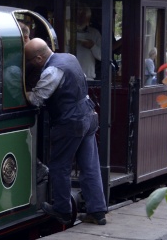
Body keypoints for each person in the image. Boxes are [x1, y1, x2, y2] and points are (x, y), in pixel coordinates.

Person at [24, 37, 107, 225]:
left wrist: (23, 91)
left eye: (30, 61)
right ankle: (97, 211)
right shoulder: (69, 57)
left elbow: (37, 98)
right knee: (90, 166)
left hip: (71, 121)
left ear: (38, 59)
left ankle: (62, 210)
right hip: (88, 114)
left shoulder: (52, 70)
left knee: (59, 166)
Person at [74, 5, 101, 79]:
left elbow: (102, 56)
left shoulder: (94, 33)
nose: (80, 19)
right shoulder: (66, 32)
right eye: (78, 16)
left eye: (83, 17)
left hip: (88, 78)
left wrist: (92, 46)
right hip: (69, 78)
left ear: (88, 19)